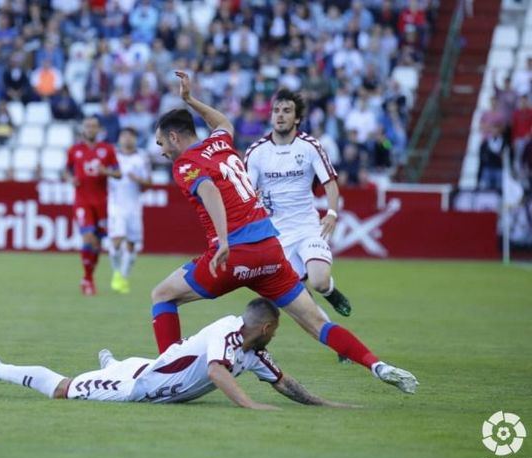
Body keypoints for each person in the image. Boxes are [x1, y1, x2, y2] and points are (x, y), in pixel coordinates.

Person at [150, 71, 417, 394]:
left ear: (175, 138)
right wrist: (190, 100)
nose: (162, 150)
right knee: (317, 322)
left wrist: (222, 239)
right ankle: (377, 364)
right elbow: (223, 123)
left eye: (161, 142)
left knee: (162, 295)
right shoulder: (219, 143)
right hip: (270, 249)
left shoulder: (184, 165)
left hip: (232, 253)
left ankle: (167, 373)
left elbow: (209, 191)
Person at [0, 298, 354, 409]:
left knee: (145, 368)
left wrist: (330, 405)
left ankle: (113, 365)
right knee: (63, 390)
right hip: (139, 386)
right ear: (266, 328)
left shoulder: (253, 353)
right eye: (277, 329)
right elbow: (216, 373)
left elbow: (284, 382)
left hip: (154, 371)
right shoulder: (226, 331)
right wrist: (250, 405)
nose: (277, 335)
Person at [245, 88, 352, 319]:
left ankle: (330, 291)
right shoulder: (256, 152)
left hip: (307, 227)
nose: (280, 115)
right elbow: (245, 194)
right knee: (298, 299)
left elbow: (330, 182)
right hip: (276, 236)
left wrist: (332, 213)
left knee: (319, 281)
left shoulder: (310, 146)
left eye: (286, 111)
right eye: (276, 111)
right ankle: (333, 335)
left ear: (297, 118)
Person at [63, 115, 121, 296]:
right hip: (82, 201)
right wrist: (70, 179)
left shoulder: (107, 149)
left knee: (96, 244)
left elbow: (118, 173)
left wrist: (107, 172)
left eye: (93, 126)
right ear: (83, 128)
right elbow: (66, 170)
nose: (90, 129)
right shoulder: (74, 150)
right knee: (88, 238)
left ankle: (88, 276)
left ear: (99, 129)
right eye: (87, 126)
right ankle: (88, 280)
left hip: (101, 202)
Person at [108, 127, 152, 294]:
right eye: (124, 135)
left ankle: (123, 277)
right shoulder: (112, 155)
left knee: (132, 244)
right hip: (115, 205)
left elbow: (149, 183)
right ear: (119, 138)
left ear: (135, 139)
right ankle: (116, 274)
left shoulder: (141, 157)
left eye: (130, 136)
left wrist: (138, 179)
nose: (127, 139)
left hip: (133, 206)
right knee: (117, 239)